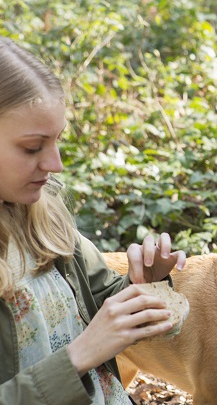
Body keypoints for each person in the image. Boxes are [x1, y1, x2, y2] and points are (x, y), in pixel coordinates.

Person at [0, 37, 187, 404]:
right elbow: (89, 344)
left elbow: (96, 307)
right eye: (32, 147)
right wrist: (78, 357)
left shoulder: (44, 216)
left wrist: (144, 286)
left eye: (57, 141)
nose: (55, 164)